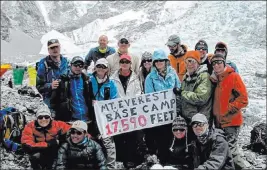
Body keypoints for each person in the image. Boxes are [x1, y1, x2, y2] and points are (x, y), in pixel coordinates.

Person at [210, 53, 249, 170]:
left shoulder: (234, 76)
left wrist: (229, 108)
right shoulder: (217, 79)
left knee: (231, 150)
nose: (216, 65)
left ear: (224, 63)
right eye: (214, 63)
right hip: (220, 123)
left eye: (219, 63)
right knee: (225, 150)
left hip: (231, 122)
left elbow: (244, 99)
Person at [145, 49, 181, 165]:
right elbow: (149, 97)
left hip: (173, 112)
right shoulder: (150, 78)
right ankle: (163, 161)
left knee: (175, 137)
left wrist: (177, 91)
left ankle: (175, 161)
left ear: (166, 61)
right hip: (160, 115)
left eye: (162, 60)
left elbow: (179, 87)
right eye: (157, 61)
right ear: (154, 63)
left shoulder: (173, 73)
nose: (159, 62)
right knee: (162, 139)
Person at [110, 54, 145, 168]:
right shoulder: (112, 78)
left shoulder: (136, 78)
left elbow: (139, 93)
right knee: (119, 137)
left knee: (132, 137)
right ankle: (120, 159)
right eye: (122, 61)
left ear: (130, 64)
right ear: (119, 64)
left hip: (132, 112)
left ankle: (130, 159)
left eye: (127, 62)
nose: (124, 64)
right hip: (118, 112)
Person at [88, 58, 118, 169]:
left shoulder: (111, 83)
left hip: (105, 117)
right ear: (95, 68)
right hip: (91, 117)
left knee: (108, 142)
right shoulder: (89, 80)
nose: (101, 69)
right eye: (99, 66)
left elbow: (115, 100)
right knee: (92, 141)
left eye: (103, 67)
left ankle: (111, 166)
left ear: (107, 69)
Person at [21, 105, 71, 170]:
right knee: (34, 157)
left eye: (46, 117)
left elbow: (74, 129)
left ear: (50, 118)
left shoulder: (57, 124)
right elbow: (27, 145)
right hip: (40, 151)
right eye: (40, 117)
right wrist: (49, 144)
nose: (43, 119)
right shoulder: (30, 126)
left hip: (56, 151)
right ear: (36, 118)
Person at [173, 50, 213, 126]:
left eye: (192, 61)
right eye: (187, 62)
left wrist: (181, 93)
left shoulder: (204, 76)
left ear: (198, 63)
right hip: (188, 120)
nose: (189, 64)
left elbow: (201, 98)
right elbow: (183, 98)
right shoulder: (186, 76)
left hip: (200, 121)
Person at [50, 56, 93, 122]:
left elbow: (91, 97)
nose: (78, 67)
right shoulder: (62, 81)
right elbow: (54, 101)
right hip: (70, 120)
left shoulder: (86, 81)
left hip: (87, 119)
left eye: (80, 65)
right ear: (71, 65)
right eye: (75, 65)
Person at [36, 39, 69, 112]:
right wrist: (50, 85)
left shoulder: (66, 62)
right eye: (52, 48)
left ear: (60, 47)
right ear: (48, 50)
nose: (55, 49)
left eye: (56, 47)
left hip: (65, 100)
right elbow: (39, 86)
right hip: (50, 102)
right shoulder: (43, 64)